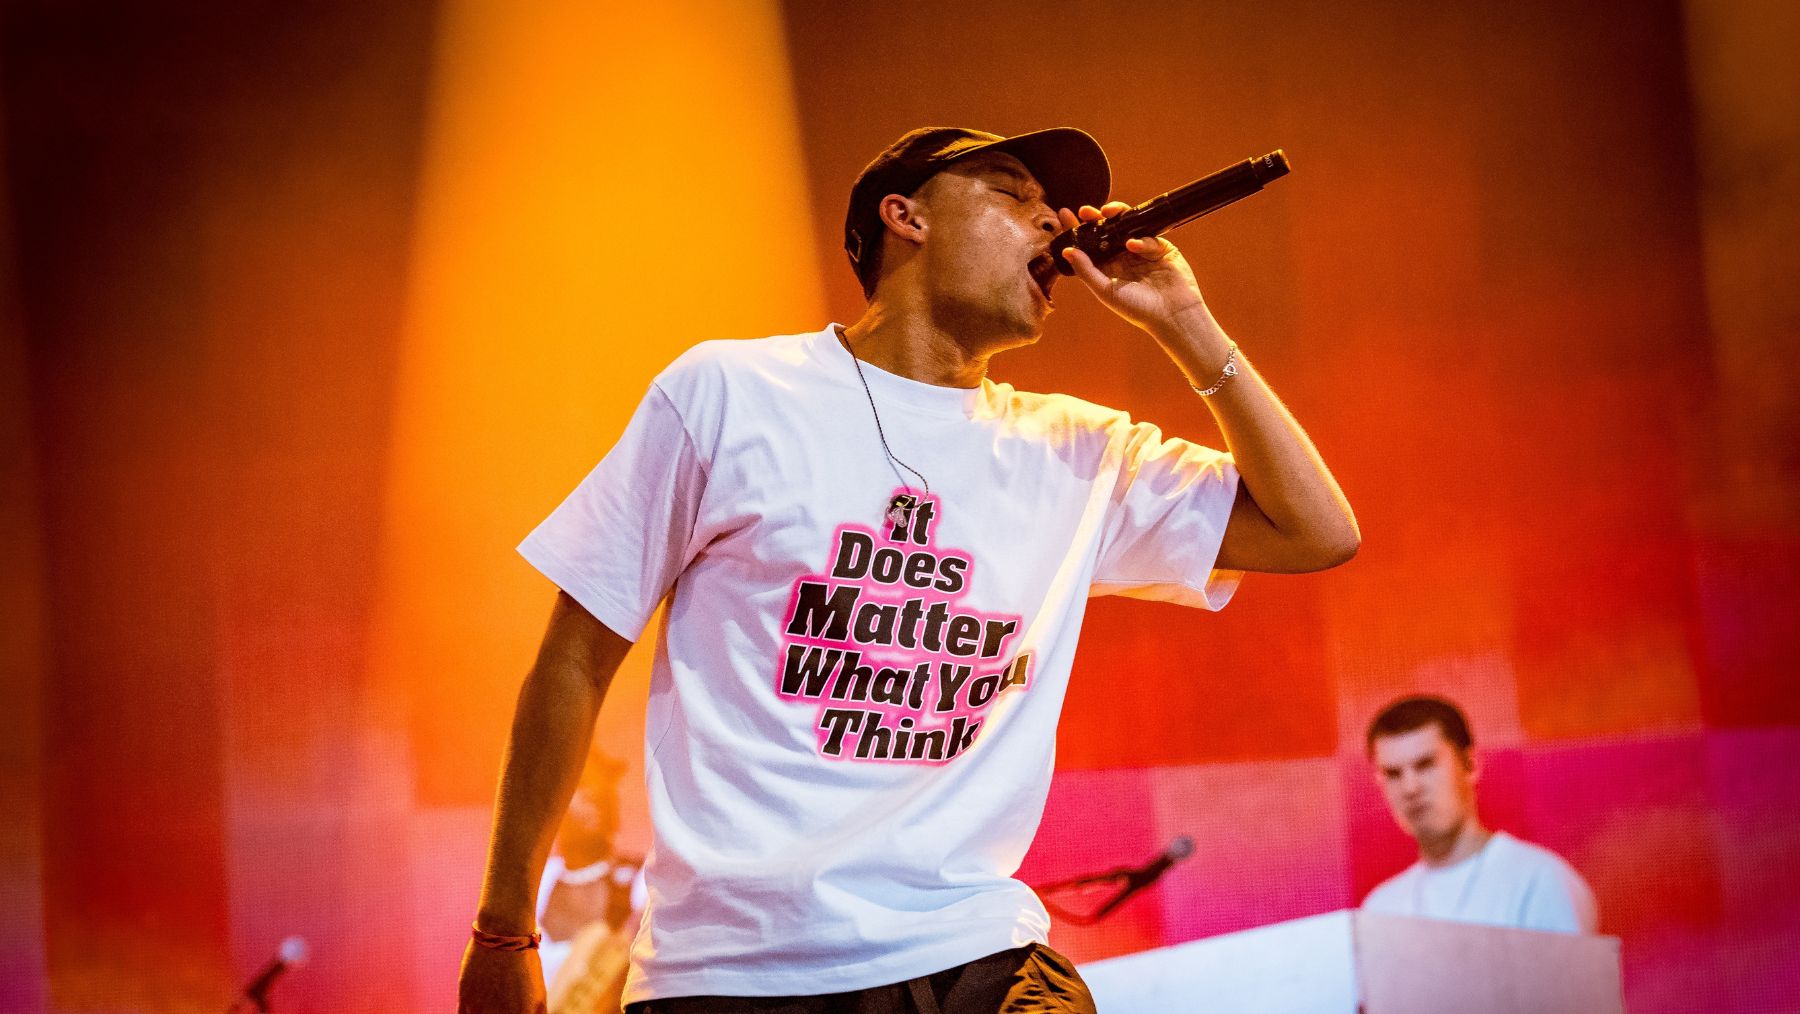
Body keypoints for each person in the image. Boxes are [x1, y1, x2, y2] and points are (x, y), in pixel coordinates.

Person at [457, 125, 1360, 1014]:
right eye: (1015, 196)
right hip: (736, 972)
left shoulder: (1079, 452)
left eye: (1057, 211)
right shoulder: (729, 394)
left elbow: (1315, 532)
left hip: (976, 954)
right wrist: (504, 930)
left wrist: (1189, 325)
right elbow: (573, 661)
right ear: (906, 217)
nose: (1054, 225)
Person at [1361, 695, 1599, 934]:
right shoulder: (1379, 909)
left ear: (1469, 764)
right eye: (1393, 774)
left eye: (1426, 765)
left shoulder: (1539, 882)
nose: (1410, 788)